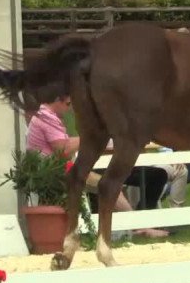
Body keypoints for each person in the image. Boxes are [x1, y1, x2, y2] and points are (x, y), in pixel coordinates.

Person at [26, 91, 169, 238]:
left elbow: (64, 147)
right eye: (68, 104)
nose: (68, 108)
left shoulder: (44, 115)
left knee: (111, 184)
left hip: (57, 170)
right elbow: (64, 148)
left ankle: (132, 227)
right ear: (57, 100)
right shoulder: (46, 117)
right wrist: (90, 137)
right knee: (111, 186)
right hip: (57, 171)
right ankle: (138, 227)